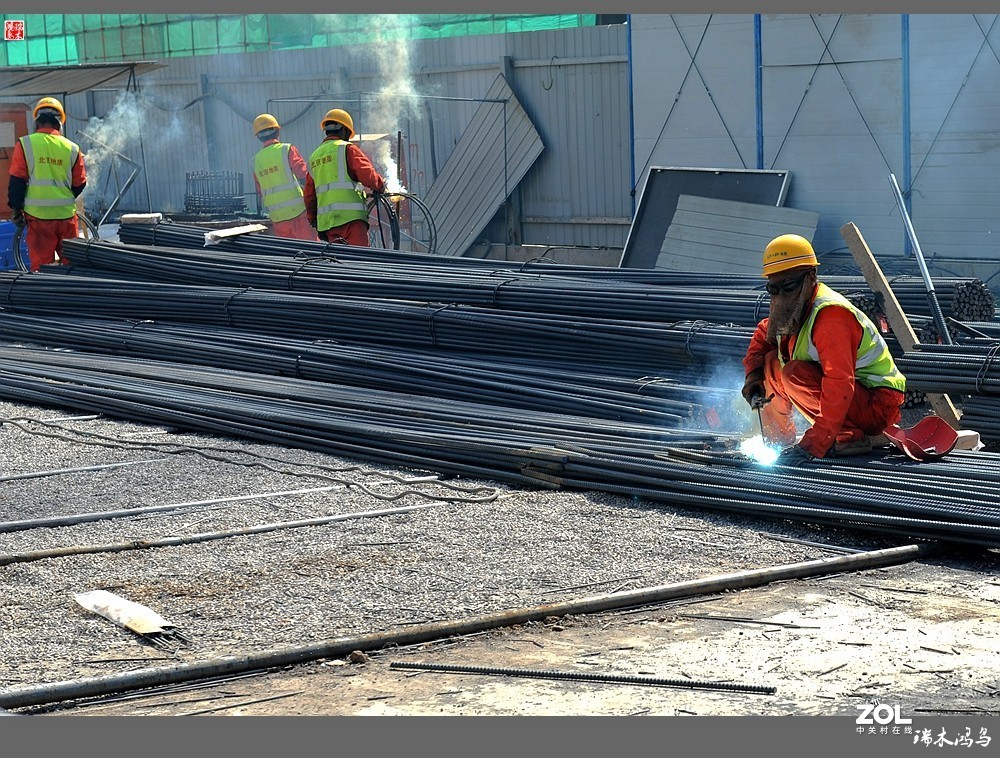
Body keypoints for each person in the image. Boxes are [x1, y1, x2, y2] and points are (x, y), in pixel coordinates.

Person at [741, 233, 907, 465]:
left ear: (810, 277)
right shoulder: (797, 306)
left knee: (793, 373)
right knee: (771, 363)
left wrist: (813, 444)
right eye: (774, 289)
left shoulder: (831, 317)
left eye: (788, 287)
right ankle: (778, 442)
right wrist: (753, 376)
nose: (781, 297)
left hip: (876, 403)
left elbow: (839, 383)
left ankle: (846, 437)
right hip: (856, 400)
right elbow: (764, 333)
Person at [6, 96, 87, 272]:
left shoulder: (26, 144)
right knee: (72, 267)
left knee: (42, 269)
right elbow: (80, 183)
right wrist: (62, 196)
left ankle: (47, 297)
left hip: (38, 219)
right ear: (60, 124)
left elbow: (17, 182)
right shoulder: (72, 148)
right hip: (66, 218)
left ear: (37, 122)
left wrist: (16, 209)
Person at [303, 108, 386, 247]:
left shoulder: (314, 157)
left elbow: (309, 196)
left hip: (328, 225)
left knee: (339, 264)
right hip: (351, 221)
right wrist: (381, 185)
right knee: (358, 262)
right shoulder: (347, 149)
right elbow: (368, 175)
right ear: (344, 130)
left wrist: (313, 218)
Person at [250, 113, 318, 242]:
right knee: (312, 252)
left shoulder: (255, 161)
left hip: (278, 218)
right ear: (277, 131)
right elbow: (305, 177)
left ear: (258, 136)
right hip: (299, 214)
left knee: (290, 255)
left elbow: (260, 192)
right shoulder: (286, 149)